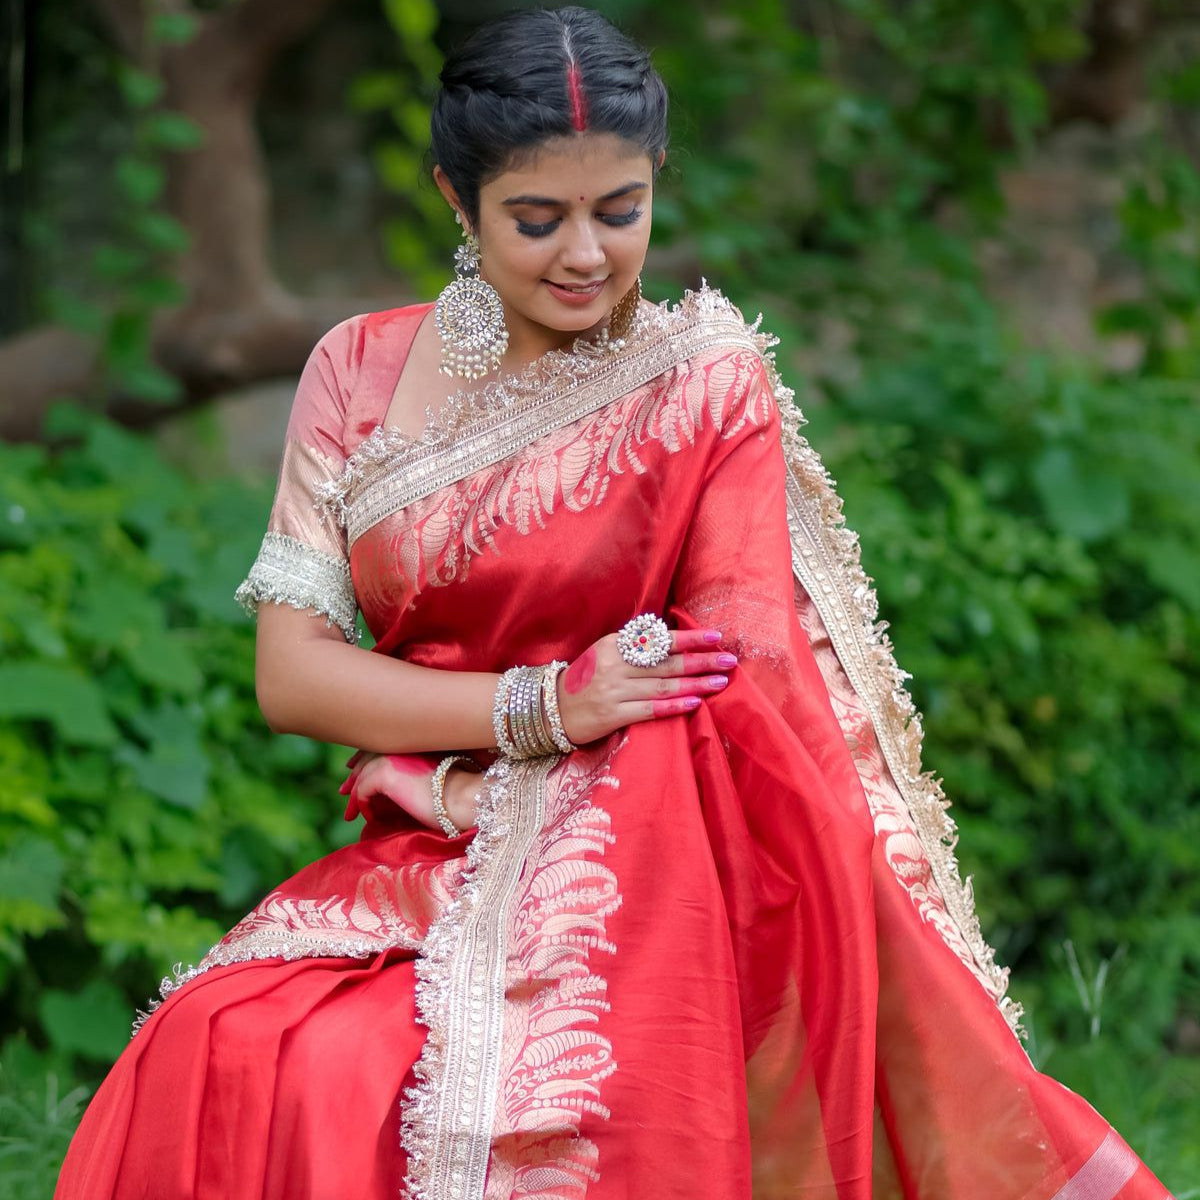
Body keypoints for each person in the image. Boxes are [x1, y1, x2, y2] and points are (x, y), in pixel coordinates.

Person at [56, 7, 1173, 1199]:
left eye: (620, 211)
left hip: (635, 873)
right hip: (427, 836)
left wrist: (599, 752)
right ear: (457, 199)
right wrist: (548, 703)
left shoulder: (700, 386)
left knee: (352, 1074)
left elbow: (747, 685)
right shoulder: (358, 370)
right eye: (537, 219)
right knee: (217, 1041)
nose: (585, 255)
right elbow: (294, 675)